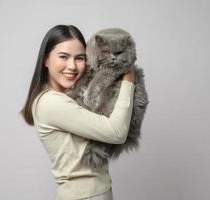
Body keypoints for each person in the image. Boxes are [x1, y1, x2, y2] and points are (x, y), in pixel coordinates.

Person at [20, 24, 135, 200]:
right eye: (63, 57)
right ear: (45, 60)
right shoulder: (52, 102)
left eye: (80, 58)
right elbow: (117, 132)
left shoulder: (67, 97)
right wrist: (129, 79)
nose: (72, 66)